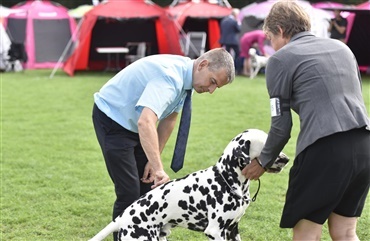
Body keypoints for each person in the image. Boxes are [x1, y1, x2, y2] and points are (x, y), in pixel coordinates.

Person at [242, 1, 370, 241]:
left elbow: (281, 126)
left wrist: (263, 161)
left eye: (270, 38)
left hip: (325, 148)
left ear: (280, 30)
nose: (271, 46)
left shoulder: (280, 60)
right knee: (345, 233)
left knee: (306, 234)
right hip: (364, 144)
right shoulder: (343, 49)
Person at [92, 48, 235, 241]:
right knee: (129, 192)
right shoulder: (170, 78)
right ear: (203, 65)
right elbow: (146, 122)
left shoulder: (186, 78)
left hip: (136, 124)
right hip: (112, 119)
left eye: (216, 87)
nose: (211, 91)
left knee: (148, 188)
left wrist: (154, 160)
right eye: (212, 82)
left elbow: (169, 120)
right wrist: (160, 169)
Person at [219, 8, 242, 74]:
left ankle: (225, 70)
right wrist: (239, 23)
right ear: (235, 14)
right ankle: (237, 70)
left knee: (226, 56)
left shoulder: (224, 21)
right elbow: (238, 30)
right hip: (233, 41)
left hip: (225, 40)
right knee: (238, 55)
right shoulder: (235, 21)